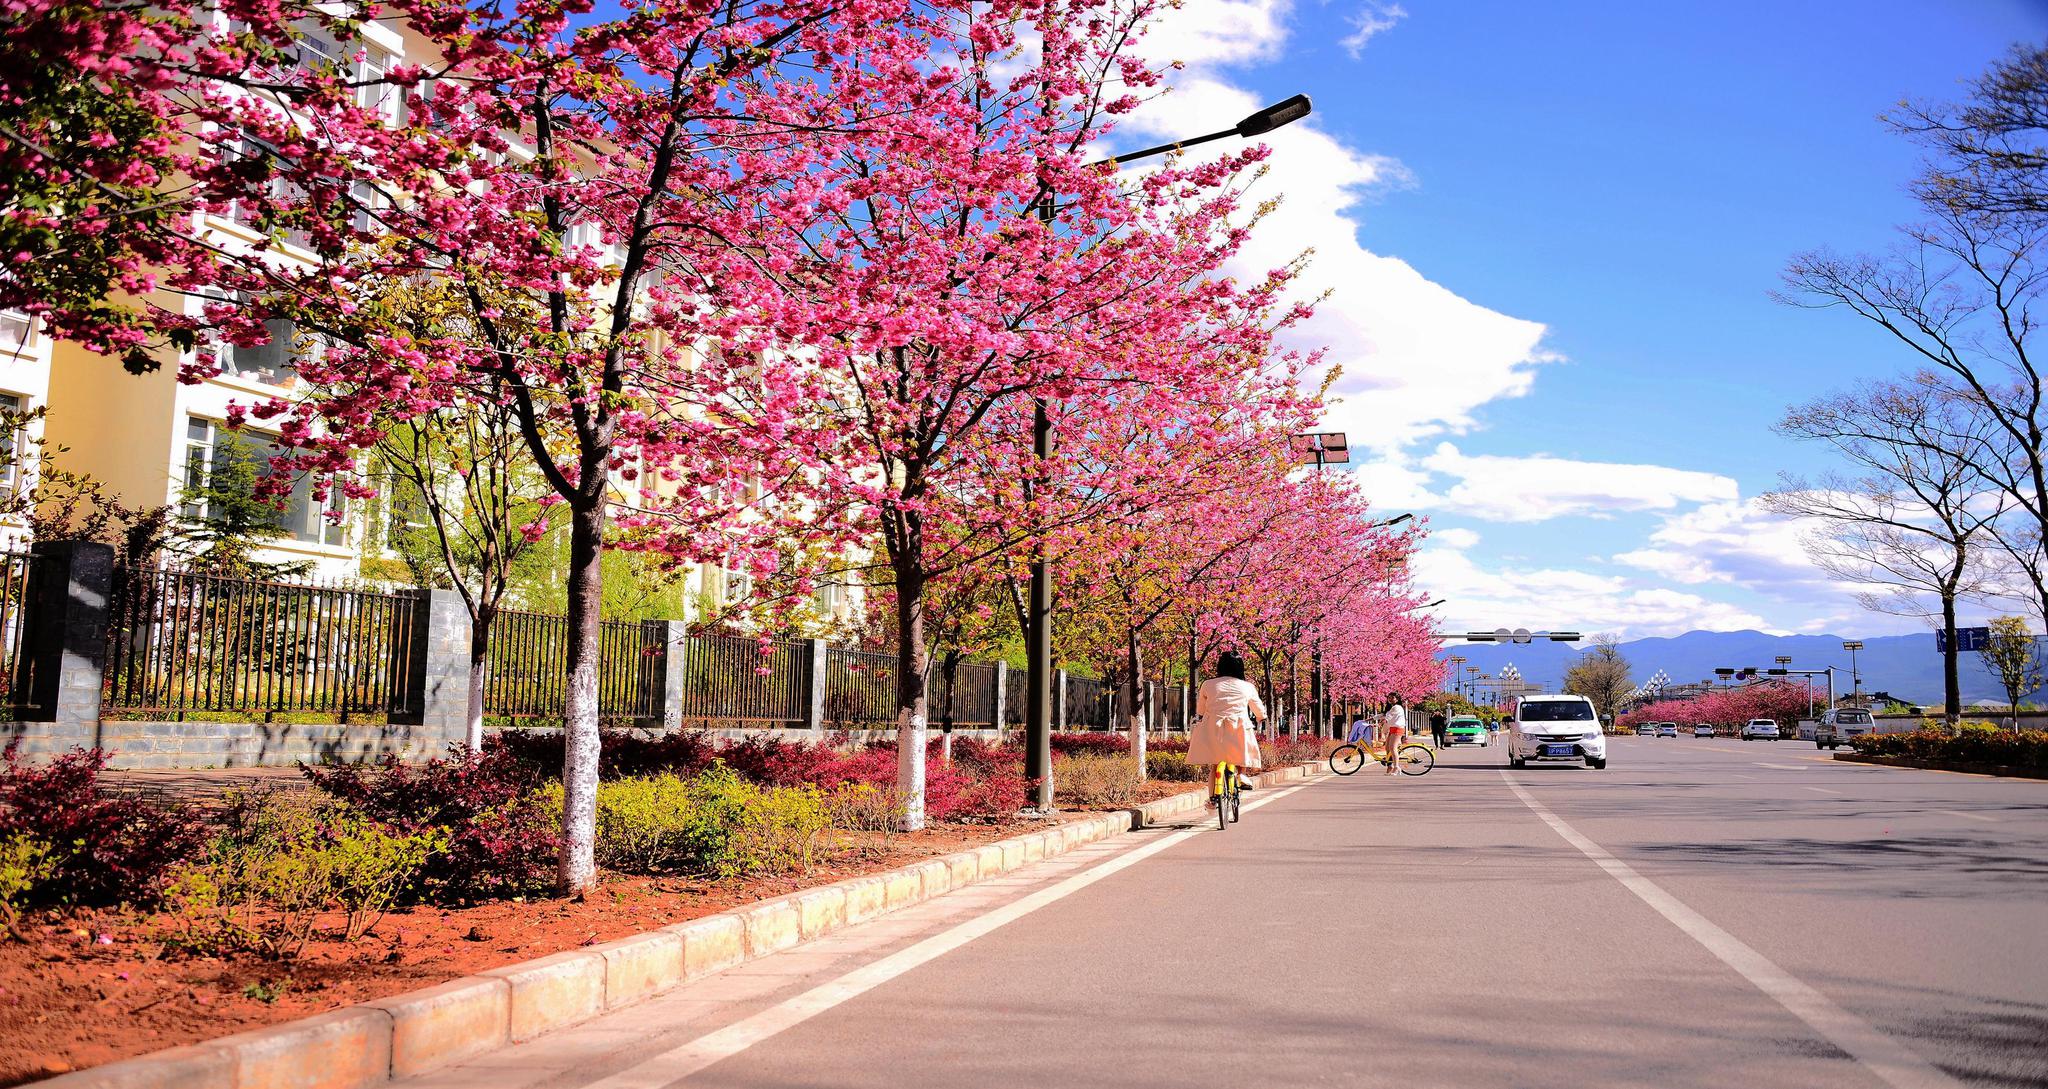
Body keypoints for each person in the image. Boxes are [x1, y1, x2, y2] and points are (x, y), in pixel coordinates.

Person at [1188, 650, 1266, 806]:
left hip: (1213, 728)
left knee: (1215, 764)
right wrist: (1260, 717)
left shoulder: (1208, 684)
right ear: (1240, 667)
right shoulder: (1247, 686)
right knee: (1242, 751)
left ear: (1220, 666)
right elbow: (1258, 709)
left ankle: (1212, 800)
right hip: (1238, 726)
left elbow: (1200, 710)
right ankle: (1242, 774)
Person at [1381, 694, 1409, 776]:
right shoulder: (1391, 707)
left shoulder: (1397, 707)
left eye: (1393, 697)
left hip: (1398, 729)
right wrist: (1370, 719)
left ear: (1397, 699)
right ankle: (1390, 765)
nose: (1390, 699)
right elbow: (1384, 715)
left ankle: (1396, 767)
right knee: (1387, 748)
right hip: (1392, 729)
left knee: (1393, 748)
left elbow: (1388, 717)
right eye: (1389, 697)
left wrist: (1383, 721)